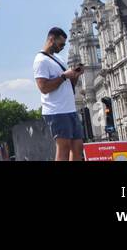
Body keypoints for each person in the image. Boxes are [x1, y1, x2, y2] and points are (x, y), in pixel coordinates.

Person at [34, 26, 85, 161]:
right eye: (61, 44)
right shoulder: (41, 60)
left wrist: (75, 75)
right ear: (52, 39)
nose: (62, 47)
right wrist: (63, 76)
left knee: (78, 146)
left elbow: (69, 85)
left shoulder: (58, 58)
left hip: (70, 109)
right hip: (56, 111)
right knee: (64, 147)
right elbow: (43, 87)